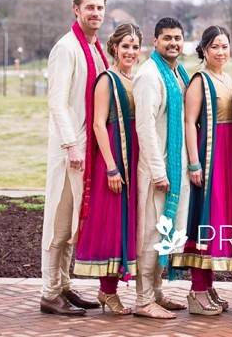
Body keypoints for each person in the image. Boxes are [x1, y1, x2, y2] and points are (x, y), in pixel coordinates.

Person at [41, 0, 109, 315]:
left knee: (73, 223)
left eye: (100, 7)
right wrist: (70, 144)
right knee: (59, 221)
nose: (95, 12)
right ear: (76, 10)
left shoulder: (96, 50)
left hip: (89, 149)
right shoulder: (66, 48)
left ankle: (65, 285)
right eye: (90, 7)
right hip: (71, 150)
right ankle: (49, 292)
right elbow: (57, 102)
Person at [73, 23, 142, 315]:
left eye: (135, 46)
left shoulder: (135, 78)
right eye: (125, 45)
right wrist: (112, 168)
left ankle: (111, 290)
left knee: (127, 222)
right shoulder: (108, 79)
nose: (130, 51)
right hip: (113, 159)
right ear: (114, 47)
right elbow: (99, 124)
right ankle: (108, 291)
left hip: (134, 155)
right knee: (112, 223)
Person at [173, 26, 232, 315]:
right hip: (210, 154)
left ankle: (208, 285)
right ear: (204, 49)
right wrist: (194, 162)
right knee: (205, 216)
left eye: (225, 46)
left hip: (230, 155)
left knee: (220, 219)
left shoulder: (228, 78)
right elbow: (189, 122)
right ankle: (197, 290)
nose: (221, 52)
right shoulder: (200, 80)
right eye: (215, 47)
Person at [133, 17, 191, 319]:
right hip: (156, 170)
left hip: (174, 166)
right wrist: (158, 170)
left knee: (166, 233)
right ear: (155, 41)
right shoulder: (149, 75)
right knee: (152, 234)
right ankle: (143, 300)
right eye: (167, 38)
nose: (173, 43)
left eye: (178, 38)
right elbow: (145, 127)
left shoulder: (177, 74)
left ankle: (156, 292)